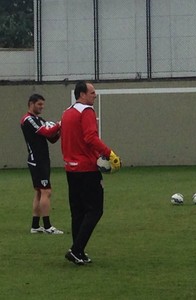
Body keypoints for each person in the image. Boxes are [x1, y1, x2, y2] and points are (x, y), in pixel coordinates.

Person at [61, 81, 121, 265]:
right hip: (86, 169)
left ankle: (77, 250)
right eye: (92, 92)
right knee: (95, 210)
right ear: (82, 94)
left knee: (78, 212)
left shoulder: (67, 113)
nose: (95, 95)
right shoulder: (86, 111)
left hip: (71, 169)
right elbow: (90, 137)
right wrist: (109, 153)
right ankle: (76, 249)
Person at [20, 94, 64, 234]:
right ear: (31, 104)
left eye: (42, 104)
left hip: (43, 159)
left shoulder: (39, 119)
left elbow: (51, 138)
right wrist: (60, 123)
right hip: (37, 160)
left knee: (39, 192)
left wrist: (60, 130)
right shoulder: (29, 120)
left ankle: (35, 226)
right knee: (46, 191)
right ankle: (47, 226)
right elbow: (46, 131)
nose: (42, 107)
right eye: (39, 104)